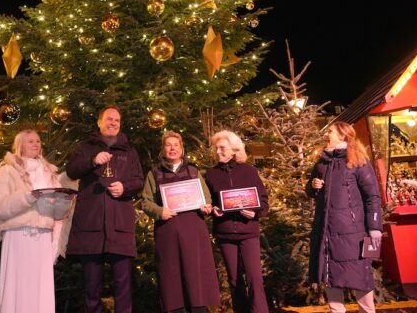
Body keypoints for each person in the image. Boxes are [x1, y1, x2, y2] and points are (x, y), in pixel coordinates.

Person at [0, 129, 76, 313]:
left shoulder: (49, 173)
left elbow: (58, 215)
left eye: (38, 141)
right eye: (30, 141)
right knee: (17, 285)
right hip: (18, 235)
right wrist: (27, 197)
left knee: (40, 287)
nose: (36, 144)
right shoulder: (7, 172)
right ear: (20, 146)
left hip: (43, 238)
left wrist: (63, 202)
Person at [65, 105, 144, 313]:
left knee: (123, 286)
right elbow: (71, 171)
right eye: (109, 119)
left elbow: (139, 181)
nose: (113, 123)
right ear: (99, 122)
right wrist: (92, 161)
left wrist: (124, 187)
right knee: (92, 288)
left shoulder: (129, 151)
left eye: (117, 120)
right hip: (91, 227)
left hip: (120, 228)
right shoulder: (86, 147)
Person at [306, 121, 382, 313]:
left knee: (360, 276)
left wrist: (374, 228)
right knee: (329, 273)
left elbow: (372, 196)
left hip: (353, 233)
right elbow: (310, 190)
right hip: (325, 231)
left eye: (330, 131)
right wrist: (312, 187)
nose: (326, 135)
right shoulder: (322, 163)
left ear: (342, 135)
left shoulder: (357, 161)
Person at [141, 131, 220, 313]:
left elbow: (206, 197)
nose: (172, 148)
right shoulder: (154, 174)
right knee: (172, 275)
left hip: (194, 232)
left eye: (176, 145)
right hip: (168, 231)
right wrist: (160, 211)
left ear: (182, 148)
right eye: (168, 145)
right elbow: (146, 202)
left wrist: (206, 206)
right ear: (163, 149)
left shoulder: (193, 171)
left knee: (196, 274)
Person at [205, 130, 269, 313]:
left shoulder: (249, 171)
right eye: (216, 148)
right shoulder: (211, 174)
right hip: (225, 232)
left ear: (234, 149)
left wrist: (255, 213)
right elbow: (208, 202)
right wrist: (213, 210)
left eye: (222, 148)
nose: (218, 152)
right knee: (234, 280)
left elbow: (263, 202)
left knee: (254, 278)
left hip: (248, 231)